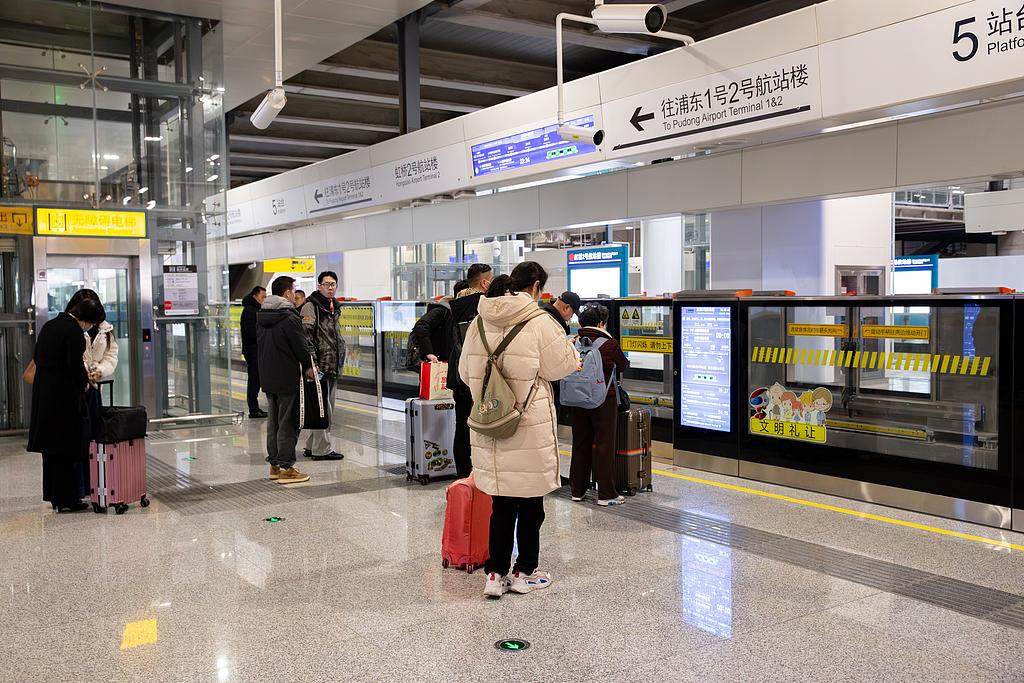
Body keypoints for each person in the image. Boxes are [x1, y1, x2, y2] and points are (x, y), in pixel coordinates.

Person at [458, 261, 579, 598]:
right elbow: (563, 366)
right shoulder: (540, 321)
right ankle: (526, 572)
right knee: (530, 504)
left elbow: (465, 372)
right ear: (536, 286)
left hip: (490, 421)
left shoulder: (480, 321)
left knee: (501, 505)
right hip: (527, 423)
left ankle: (494, 575)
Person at [26, 297, 106, 512]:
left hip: (44, 392)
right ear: (87, 319)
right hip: (63, 394)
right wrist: (84, 383)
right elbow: (74, 364)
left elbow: (36, 356)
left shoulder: (50, 325)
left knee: (50, 448)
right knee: (65, 446)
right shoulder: (74, 332)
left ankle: (54, 495)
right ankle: (67, 499)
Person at [568, 304, 630, 506]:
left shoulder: (574, 342)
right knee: (604, 445)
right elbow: (622, 365)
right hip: (604, 398)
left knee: (580, 443)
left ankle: (577, 490)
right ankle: (606, 494)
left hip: (577, 398)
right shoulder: (609, 342)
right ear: (600, 323)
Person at [257, 276, 315, 484]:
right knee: (288, 423)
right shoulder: (289, 318)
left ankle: (274, 465)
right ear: (288, 293)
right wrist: (310, 365)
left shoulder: (262, 315)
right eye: (293, 290)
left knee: (273, 422)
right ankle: (286, 468)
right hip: (287, 376)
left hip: (268, 375)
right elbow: (301, 347)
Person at [444, 264, 492, 478]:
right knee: (482, 428)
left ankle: (462, 477)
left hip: (457, 376)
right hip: (477, 376)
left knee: (461, 428)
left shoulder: (453, 305)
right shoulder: (482, 305)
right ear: (483, 283)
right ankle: (479, 476)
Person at [299, 271, 345, 461]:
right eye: (326, 284)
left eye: (333, 284)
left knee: (325, 408)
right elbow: (306, 337)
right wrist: (312, 363)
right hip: (320, 367)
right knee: (323, 409)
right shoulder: (311, 307)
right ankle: (322, 449)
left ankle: (312, 446)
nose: (330, 288)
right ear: (319, 286)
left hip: (332, 366)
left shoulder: (333, 307)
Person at [539, 290, 580, 419]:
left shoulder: (543, 316)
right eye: (572, 313)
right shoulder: (554, 324)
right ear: (566, 307)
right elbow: (555, 358)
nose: (571, 317)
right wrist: (570, 348)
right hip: (549, 384)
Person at [240, 286, 268, 418]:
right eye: (262, 297)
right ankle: (253, 409)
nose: (264, 299)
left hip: (256, 350)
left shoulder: (255, 309)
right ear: (255, 296)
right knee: (255, 380)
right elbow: (250, 331)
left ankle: (255, 408)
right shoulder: (250, 310)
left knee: (257, 379)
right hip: (253, 350)